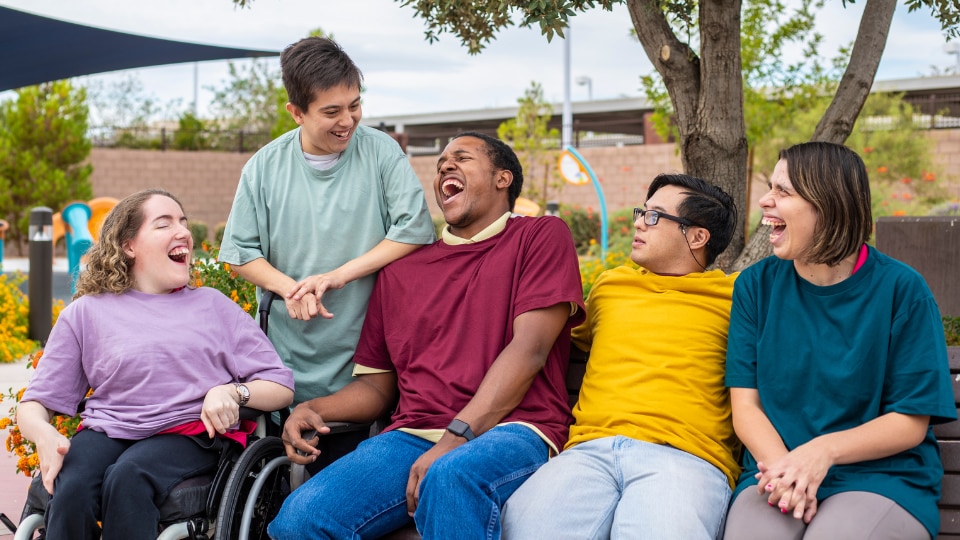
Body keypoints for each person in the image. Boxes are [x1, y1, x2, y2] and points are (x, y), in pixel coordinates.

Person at [266, 132, 585, 540]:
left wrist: (454, 440)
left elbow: (530, 351)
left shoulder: (539, 236)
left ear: (503, 178)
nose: (445, 167)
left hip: (513, 429)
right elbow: (379, 388)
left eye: (462, 158)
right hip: (412, 437)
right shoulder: (401, 271)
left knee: (449, 477)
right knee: (299, 521)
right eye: (440, 165)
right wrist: (315, 408)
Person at [15, 189, 295, 539]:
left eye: (183, 222)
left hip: (189, 433)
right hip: (110, 429)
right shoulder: (86, 313)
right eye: (164, 224)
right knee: (70, 485)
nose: (183, 232)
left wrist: (234, 392)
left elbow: (281, 386)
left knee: (129, 477)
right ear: (129, 245)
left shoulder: (212, 307)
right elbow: (33, 404)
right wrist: (43, 434)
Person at [723, 141, 956, 540]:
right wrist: (787, 471)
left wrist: (821, 452)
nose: (765, 200)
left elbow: (910, 422)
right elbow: (746, 405)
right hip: (775, 469)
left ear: (827, 204)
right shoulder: (754, 287)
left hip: (880, 478)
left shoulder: (902, 289)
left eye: (783, 191)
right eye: (770, 188)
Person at [501, 173, 740, 539]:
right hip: (588, 451)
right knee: (525, 527)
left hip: (684, 456)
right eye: (641, 212)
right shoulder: (611, 285)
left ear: (697, 236)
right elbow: (551, 343)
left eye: (656, 216)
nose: (640, 223)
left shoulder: (736, 297)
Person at [218, 37, 436, 405]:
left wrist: (337, 276)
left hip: (368, 356)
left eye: (355, 105)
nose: (348, 121)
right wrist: (290, 289)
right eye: (332, 111)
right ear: (297, 112)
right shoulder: (263, 166)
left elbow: (414, 230)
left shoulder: (382, 151)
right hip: (285, 354)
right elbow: (239, 253)